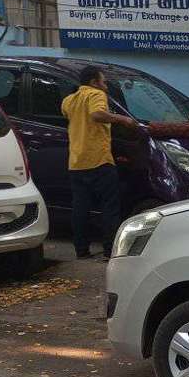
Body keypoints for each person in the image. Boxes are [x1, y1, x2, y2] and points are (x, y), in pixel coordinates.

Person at [60, 65, 137, 259]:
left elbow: (69, 116)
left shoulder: (69, 100)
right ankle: (110, 251)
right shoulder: (96, 94)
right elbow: (96, 114)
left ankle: (81, 250)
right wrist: (123, 120)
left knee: (80, 208)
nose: (106, 86)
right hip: (99, 160)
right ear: (94, 82)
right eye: (103, 81)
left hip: (76, 162)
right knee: (109, 207)